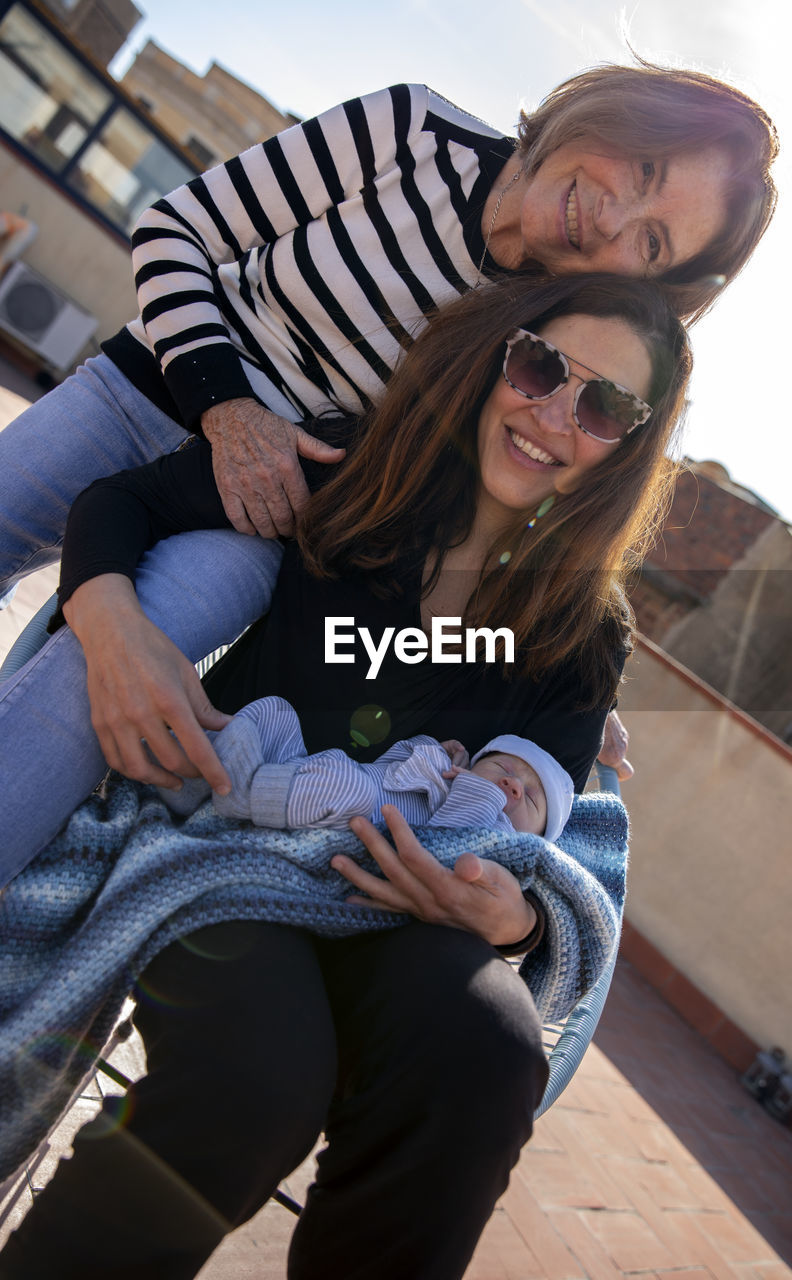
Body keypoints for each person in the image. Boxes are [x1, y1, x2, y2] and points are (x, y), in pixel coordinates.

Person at [0, 272, 691, 1279]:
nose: (554, 413)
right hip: (236, 855)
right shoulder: (350, 471)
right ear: (503, 352)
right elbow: (120, 501)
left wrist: (515, 921)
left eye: (605, 405)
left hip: (413, 907)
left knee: (487, 1057)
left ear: (628, 445)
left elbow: (535, 820)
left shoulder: (586, 625)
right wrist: (111, 631)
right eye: (543, 366)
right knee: (257, 1077)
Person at [0, 64, 777, 859]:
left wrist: (551, 673)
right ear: (618, 114)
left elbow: (531, 484)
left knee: (128, 654)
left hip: (266, 514)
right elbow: (174, 230)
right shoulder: (412, 131)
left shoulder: (536, 336)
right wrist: (228, 412)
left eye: (653, 241)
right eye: (645, 169)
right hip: (143, 393)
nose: (616, 219)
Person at [156, 694, 575, 841]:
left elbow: (447, 842)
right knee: (277, 713)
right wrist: (426, 750)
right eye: (503, 766)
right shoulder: (443, 777)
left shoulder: (495, 838)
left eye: (530, 797)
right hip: (317, 777)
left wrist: (481, 791)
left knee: (347, 786)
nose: (512, 784)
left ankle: (238, 792)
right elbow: (387, 766)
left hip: (352, 813)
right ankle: (199, 777)